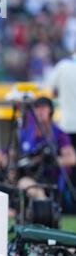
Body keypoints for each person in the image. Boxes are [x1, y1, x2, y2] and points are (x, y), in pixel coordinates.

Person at [46, 51, 76, 191]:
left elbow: (47, 88)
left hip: (67, 124)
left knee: (69, 167)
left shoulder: (63, 66)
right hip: (68, 125)